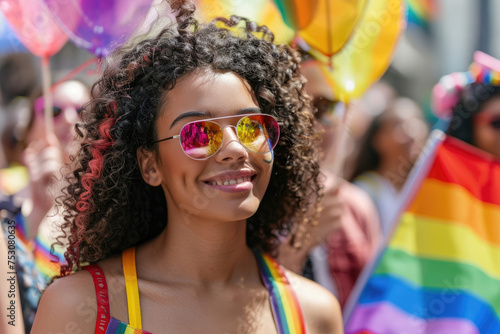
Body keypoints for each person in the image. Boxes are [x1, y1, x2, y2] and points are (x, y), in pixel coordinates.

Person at [32, 2, 343, 333]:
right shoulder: (82, 308)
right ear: (150, 165)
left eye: (251, 127)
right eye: (198, 133)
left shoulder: (314, 314)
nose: (236, 149)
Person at [278, 53, 382, 308]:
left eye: (326, 108)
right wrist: (297, 247)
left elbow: (373, 305)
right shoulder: (244, 201)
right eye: (294, 106)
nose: (312, 124)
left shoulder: (357, 205)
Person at [350, 97, 429, 237]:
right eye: (399, 126)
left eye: (415, 124)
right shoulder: (363, 192)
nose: (412, 133)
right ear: (377, 140)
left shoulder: (425, 192)